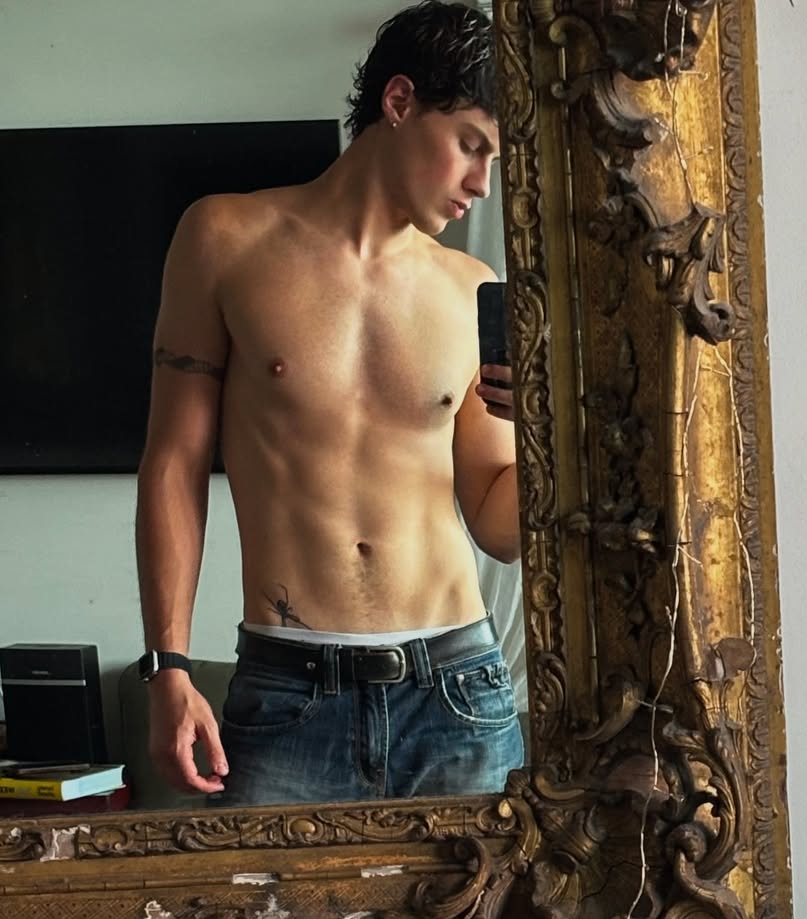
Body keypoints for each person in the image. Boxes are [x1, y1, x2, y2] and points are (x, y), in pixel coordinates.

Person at [135, 0, 523, 807]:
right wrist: (168, 665)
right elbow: (173, 461)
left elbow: (497, 523)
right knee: (260, 900)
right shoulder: (225, 238)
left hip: (459, 690)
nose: (481, 185)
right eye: (471, 145)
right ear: (400, 100)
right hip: (290, 693)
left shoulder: (470, 288)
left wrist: (552, 434)